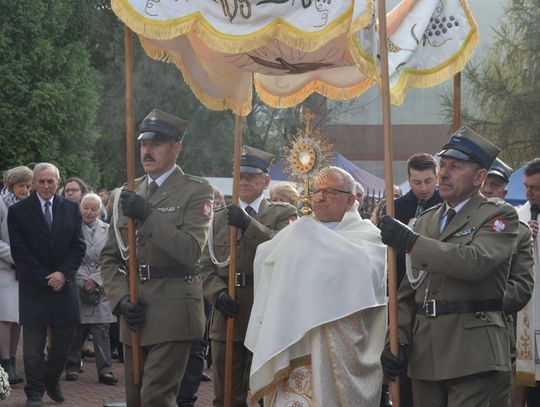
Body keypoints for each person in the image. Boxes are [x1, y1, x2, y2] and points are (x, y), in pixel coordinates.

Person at [379, 126, 519, 407]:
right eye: (443, 164)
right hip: (425, 354)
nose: (443, 173)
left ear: (480, 177)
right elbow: (409, 290)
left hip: (472, 353)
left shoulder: (499, 216)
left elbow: (475, 263)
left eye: (455, 167)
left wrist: (413, 242)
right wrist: (398, 339)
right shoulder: (427, 221)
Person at [245, 166, 387, 406]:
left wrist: (312, 244)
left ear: (351, 199)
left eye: (330, 191)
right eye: (317, 191)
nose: (320, 197)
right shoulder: (297, 232)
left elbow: (367, 275)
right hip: (293, 341)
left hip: (339, 344)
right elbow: (267, 260)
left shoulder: (367, 236)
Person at [100, 108, 214, 407]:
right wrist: (121, 299)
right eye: (143, 143)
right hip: (135, 312)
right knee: (136, 400)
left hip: (174, 311)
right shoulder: (126, 192)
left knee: (156, 399)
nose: (147, 150)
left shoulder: (197, 191)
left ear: (177, 147)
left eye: (157, 143)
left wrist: (147, 215)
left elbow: (191, 252)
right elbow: (111, 257)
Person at [201, 145, 297, 407]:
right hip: (228, 311)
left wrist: (248, 225)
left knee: (266, 390)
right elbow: (205, 266)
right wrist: (217, 294)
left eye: (251, 176)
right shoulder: (219, 218)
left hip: (265, 311)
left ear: (265, 180)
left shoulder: (282, 214)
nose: (243, 181)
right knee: (226, 394)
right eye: (239, 175)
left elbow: (284, 250)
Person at [8, 163, 86, 407]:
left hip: (65, 286)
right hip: (34, 288)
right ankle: (34, 392)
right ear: (33, 183)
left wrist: (63, 274)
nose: (45, 186)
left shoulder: (72, 209)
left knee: (65, 339)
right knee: (33, 345)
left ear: (58, 182)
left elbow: (79, 245)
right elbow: (20, 252)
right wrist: (46, 277)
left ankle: (51, 379)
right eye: (41, 181)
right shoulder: (18, 211)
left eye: (50, 181)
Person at [481, 158, 534, 407]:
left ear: (504, 190)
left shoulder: (516, 221)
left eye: (495, 185)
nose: (488, 189)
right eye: (526, 187)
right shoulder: (521, 218)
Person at [64, 193, 118, 385]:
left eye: (93, 208)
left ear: (99, 210)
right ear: (80, 209)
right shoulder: (71, 229)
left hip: (101, 287)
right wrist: (83, 280)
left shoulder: (109, 230)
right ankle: (71, 366)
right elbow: (68, 257)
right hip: (77, 283)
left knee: (102, 330)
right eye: (85, 207)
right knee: (77, 330)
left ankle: (106, 370)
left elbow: (112, 258)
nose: (89, 212)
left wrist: (96, 280)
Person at [0, 166, 33, 385]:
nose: (25, 190)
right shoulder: (1, 203)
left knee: (18, 318)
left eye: (29, 186)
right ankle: (4, 362)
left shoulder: (28, 206)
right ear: (12, 185)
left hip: (24, 270)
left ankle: (12, 359)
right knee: (5, 318)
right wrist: (17, 256)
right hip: (5, 268)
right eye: (21, 185)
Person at [515, 158, 540, 405]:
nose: (529, 193)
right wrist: (523, 240)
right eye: (526, 186)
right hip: (530, 311)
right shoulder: (518, 218)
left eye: (535, 187)